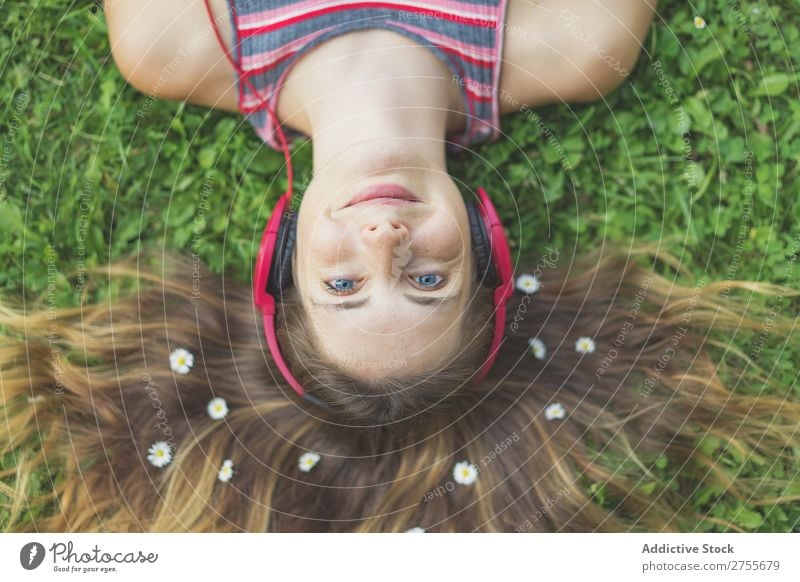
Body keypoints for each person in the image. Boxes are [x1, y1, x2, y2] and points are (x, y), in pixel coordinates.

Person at [2, 0, 798, 533]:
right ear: (487, 244)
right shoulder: (578, 43)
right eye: (427, 281)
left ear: (280, 252)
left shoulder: (174, 43)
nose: (384, 240)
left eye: (343, 287)